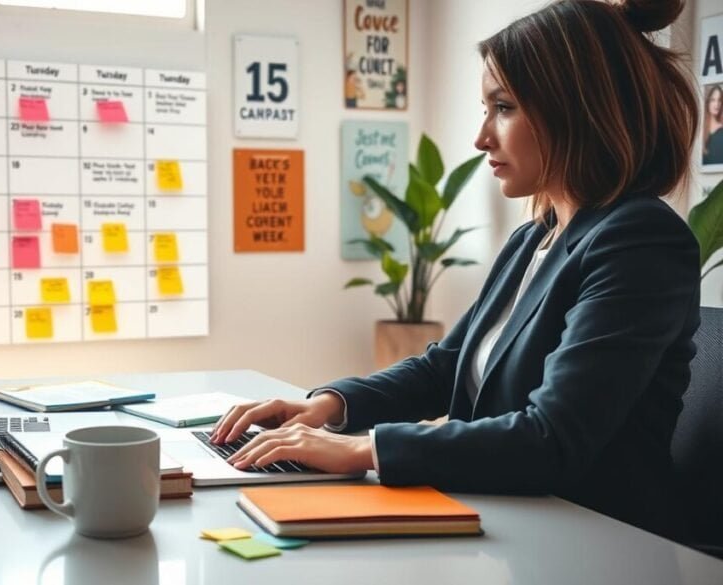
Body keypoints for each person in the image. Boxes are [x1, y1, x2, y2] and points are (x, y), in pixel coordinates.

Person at [213, 0, 701, 541]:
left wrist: (361, 450)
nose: (482, 137)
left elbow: (551, 439)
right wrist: (327, 406)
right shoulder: (536, 237)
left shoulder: (639, 241)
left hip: (599, 541)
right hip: (511, 522)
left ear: (575, 107)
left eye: (505, 107)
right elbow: (444, 368)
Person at [703, 84, 723, 165]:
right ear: (707, 102)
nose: (717, 104)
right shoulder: (701, 131)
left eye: (719, 100)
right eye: (713, 100)